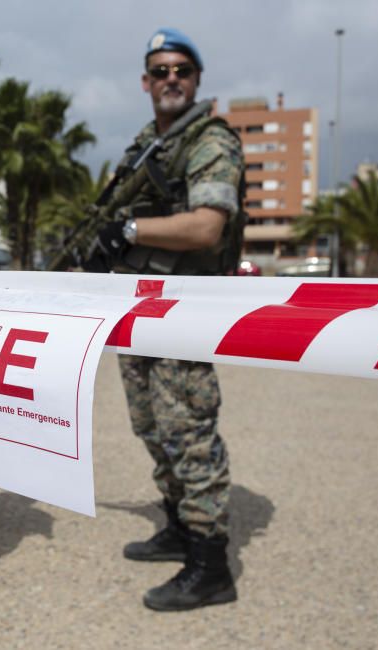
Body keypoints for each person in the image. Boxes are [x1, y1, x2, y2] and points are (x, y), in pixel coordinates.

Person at [94, 28, 245, 611]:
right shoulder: (147, 146)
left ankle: (211, 565)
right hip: (141, 310)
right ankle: (179, 527)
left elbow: (207, 226)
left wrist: (129, 231)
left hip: (185, 311)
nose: (171, 79)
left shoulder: (210, 140)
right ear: (145, 82)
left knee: (189, 432)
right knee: (151, 427)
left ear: (197, 78)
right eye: (160, 71)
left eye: (181, 69)